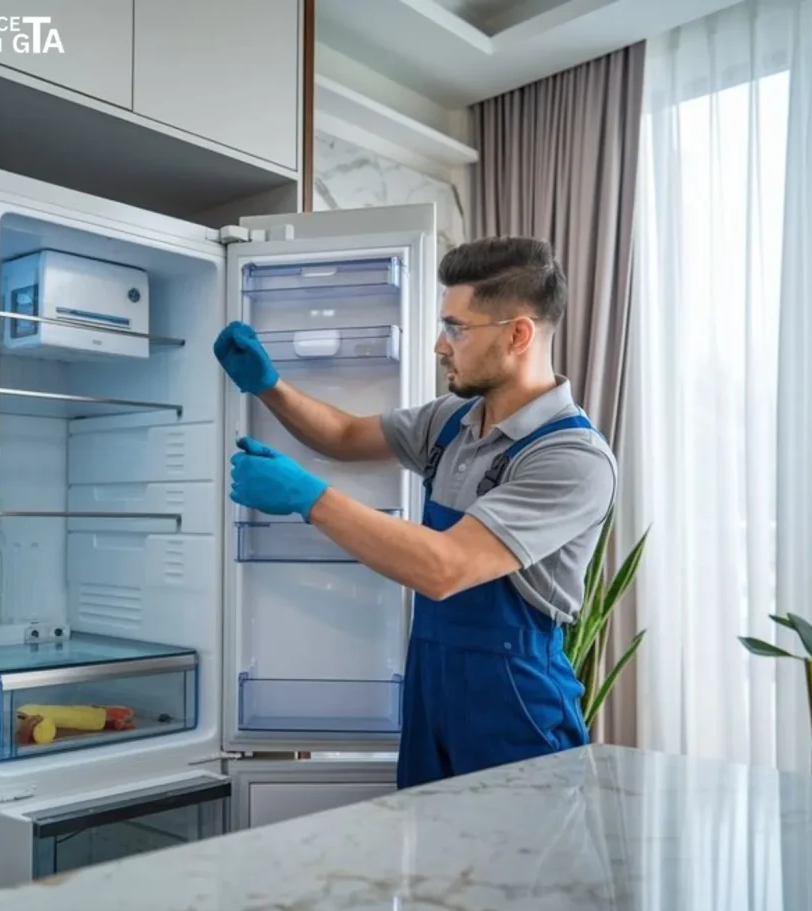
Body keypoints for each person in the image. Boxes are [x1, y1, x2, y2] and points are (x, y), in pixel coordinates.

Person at [216, 236, 618, 789]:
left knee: (520, 871)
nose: (439, 345)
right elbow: (345, 435)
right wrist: (269, 386)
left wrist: (307, 497)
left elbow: (445, 567)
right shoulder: (451, 420)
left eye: (456, 327)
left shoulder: (571, 458)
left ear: (518, 334)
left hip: (516, 705)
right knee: (433, 865)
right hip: (433, 692)